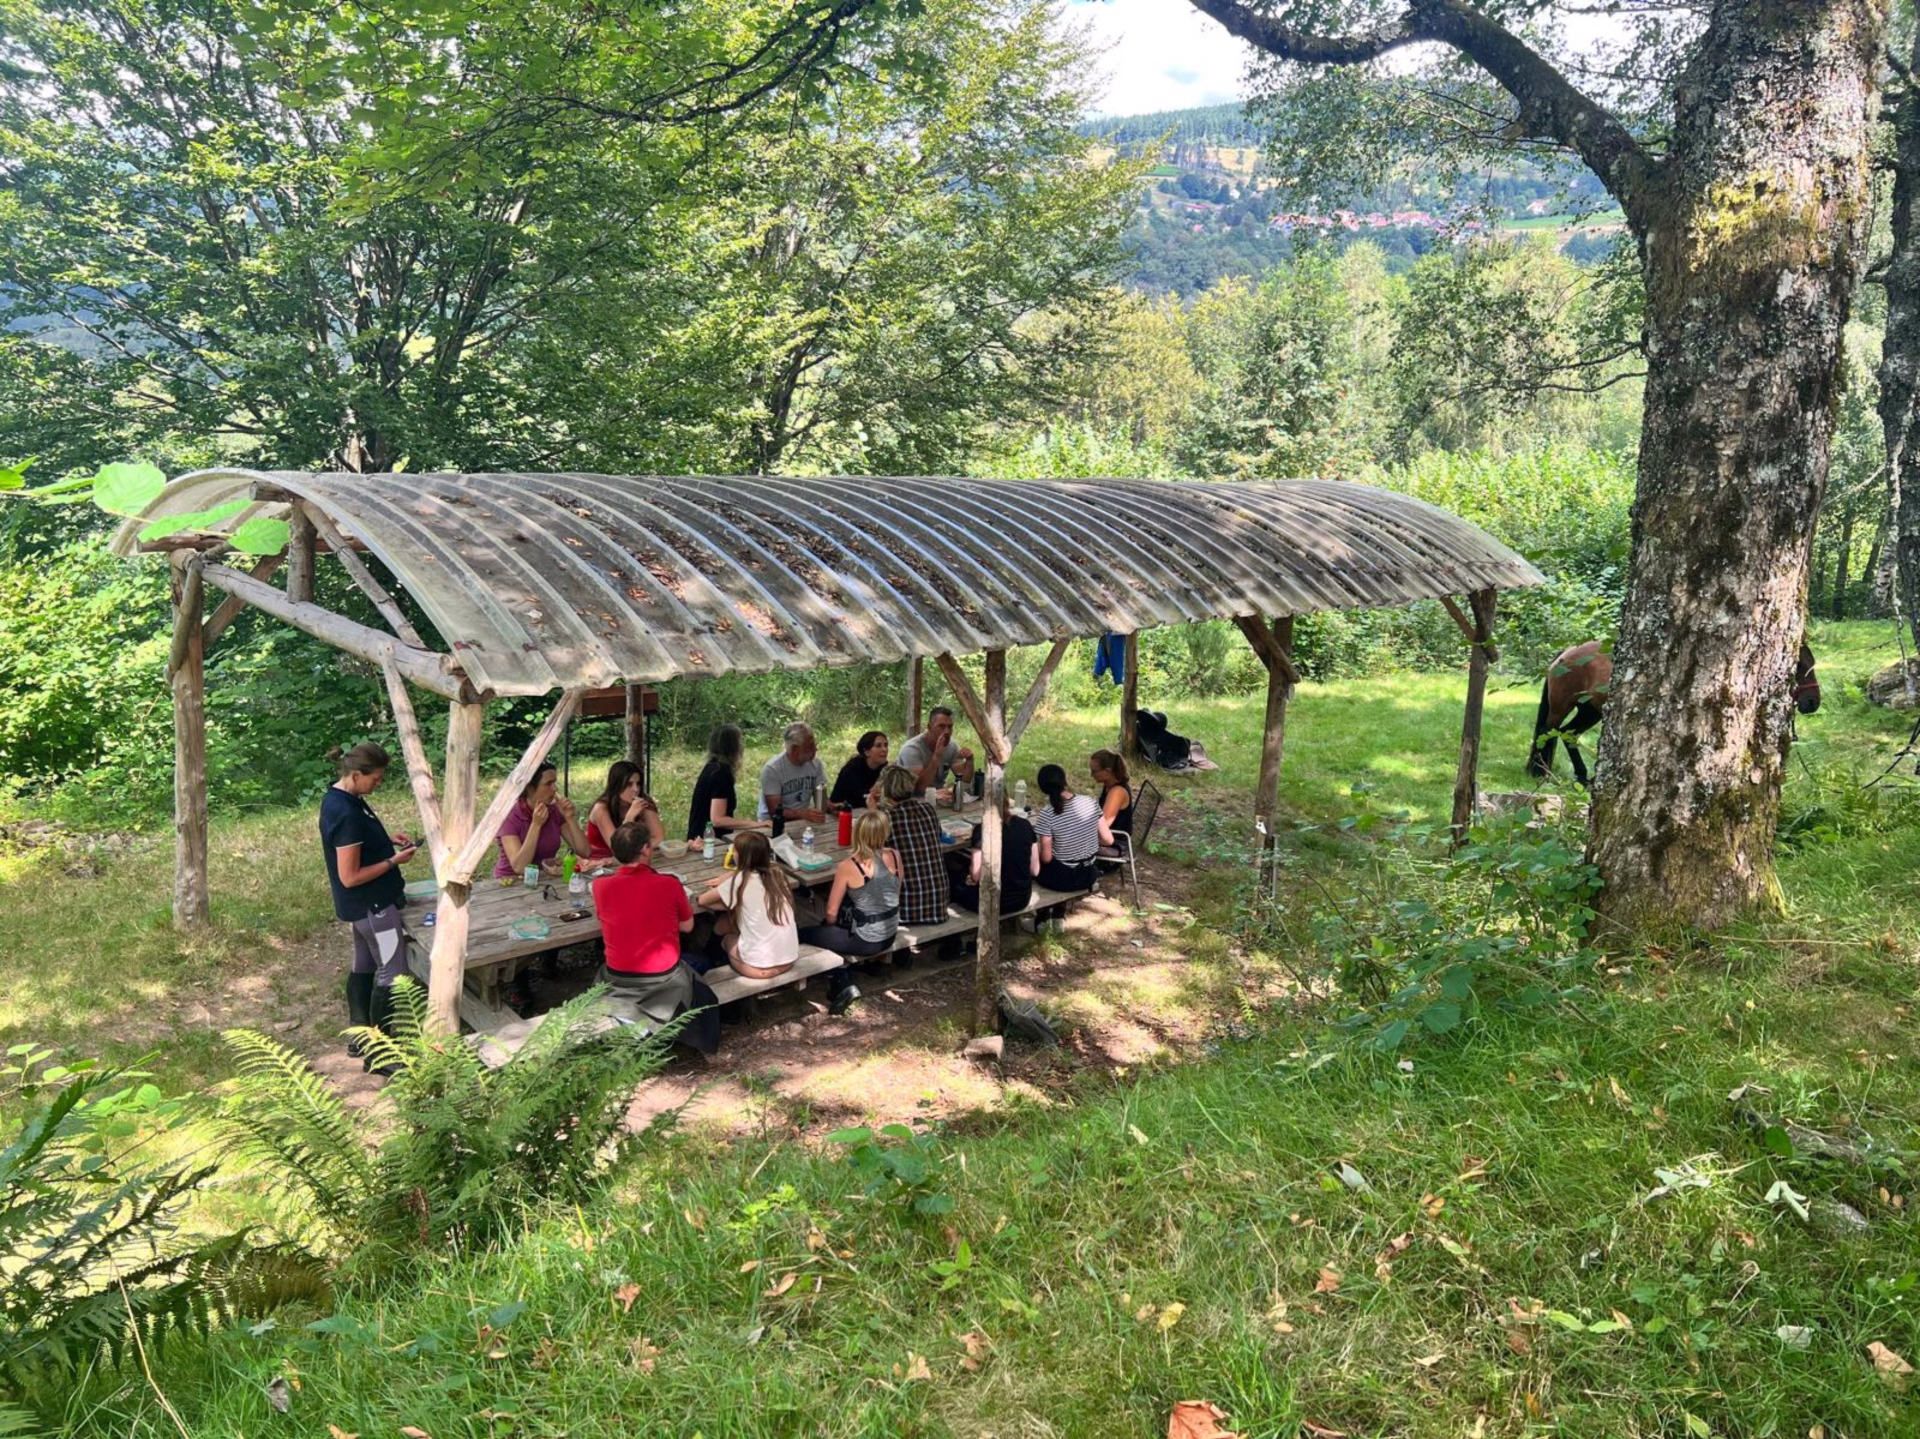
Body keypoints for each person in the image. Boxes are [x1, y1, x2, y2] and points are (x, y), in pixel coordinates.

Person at [319, 743, 417, 1072]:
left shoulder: (344, 798)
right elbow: (350, 875)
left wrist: (386, 841)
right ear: (356, 774)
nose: (379, 784)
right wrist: (393, 861)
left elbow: (357, 844)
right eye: (375, 779)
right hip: (373, 907)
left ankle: (359, 1035)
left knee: (363, 965)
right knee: (394, 972)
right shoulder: (345, 813)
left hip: (362, 908)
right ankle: (381, 1055)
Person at [592, 822, 720, 1055]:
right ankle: (655, 1025)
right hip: (664, 980)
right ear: (646, 850)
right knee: (700, 963)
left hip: (618, 979)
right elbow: (688, 926)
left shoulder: (600, 886)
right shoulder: (669, 884)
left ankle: (628, 1019)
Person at [798, 808, 902, 1014]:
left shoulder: (850, 865)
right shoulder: (895, 855)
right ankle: (842, 974)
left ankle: (842, 980)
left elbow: (831, 912)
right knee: (834, 931)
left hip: (866, 938)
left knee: (803, 933)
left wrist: (830, 928)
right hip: (890, 931)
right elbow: (894, 892)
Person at [695, 830, 800, 979]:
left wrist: (724, 895)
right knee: (726, 922)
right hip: (788, 959)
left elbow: (703, 900)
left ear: (739, 856)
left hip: (757, 969)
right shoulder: (778, 875)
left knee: (727, 938)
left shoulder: (740, 881)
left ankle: (714, 968)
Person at [876, 762, 950, 936]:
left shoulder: (886, 818)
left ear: (886, 790)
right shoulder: (928, 809)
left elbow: (872, 850)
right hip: (938, 905)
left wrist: (874, 812)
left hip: (907, 910)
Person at [493, 760, 591, 879]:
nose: (555, 789)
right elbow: (519, 867)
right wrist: (536, 825)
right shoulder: (510, 816)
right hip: (512, 881)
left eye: (555, 782)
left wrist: (570, 817)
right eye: (548, 784)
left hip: (543, 877)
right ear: (529, 788)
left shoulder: (554, 810)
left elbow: (584, 852)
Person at [1032, 762, 1112, 892]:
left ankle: (1045, 911)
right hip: (1089, 873)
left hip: (1065, 878)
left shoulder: (1046, 814)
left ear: (1043, 788)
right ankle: (1059, 909)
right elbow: (1108, 840)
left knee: (1031, 865)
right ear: (1064, 781)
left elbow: (1046, 859)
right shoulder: (1090, 802)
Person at [948, 802, 1039, 916]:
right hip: (1022, 898)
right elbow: (1035, 870)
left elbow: (976, 875)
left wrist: (969, 876)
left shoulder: (983, 829)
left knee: (952, 878)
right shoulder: (1025, 824)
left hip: (991, 902)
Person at [685, 724, 768, 843]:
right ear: (734, 747)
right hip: (706, 843)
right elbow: (718, 820)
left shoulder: (711, 767)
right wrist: (757, 824)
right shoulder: (721, 773)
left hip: (698, 838)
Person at [587, 760, 663, 862]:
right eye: (629, 784)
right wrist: (629, 817)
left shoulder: (643, 803)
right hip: (601, 863)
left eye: (638, 784)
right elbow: (617, 848)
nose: (635, 789)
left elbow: (659, 838)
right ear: (616, 785)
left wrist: (637, 850)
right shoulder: (601, 809)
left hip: (633, 859)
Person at [758, 722, 829, 831]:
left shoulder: (815, 764)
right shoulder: (773, 769)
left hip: (803, 820)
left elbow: (822, 798)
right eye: (810, 746)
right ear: (795, 750)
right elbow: (775, 812)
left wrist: (833, 807)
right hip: (773, 824)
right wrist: (802, 813)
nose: (815, 749)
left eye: (815, 744)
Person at [898, 706, 976, 801]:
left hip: (938, 799)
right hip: (910, 800)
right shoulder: (912, 749)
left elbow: (965, 781)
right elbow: (919, 788)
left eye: (950, 727)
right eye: (941, 726)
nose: (947, 731)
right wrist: (936, 757)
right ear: (929, 727)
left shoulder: (952, 746)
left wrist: (969, 762)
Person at [830, 730, 891, 811]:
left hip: (869, 810)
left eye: (886, 745)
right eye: (878, 746)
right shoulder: (851, 770)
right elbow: (861, 799)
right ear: (867, 752)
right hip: (844, 813)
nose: (884, 749)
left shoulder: (885, 768)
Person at [1090, 749, 1134, 858]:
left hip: (1114, 845)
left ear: (1108, 771)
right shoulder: (1108, 787)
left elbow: (1104, 825)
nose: (1092, 775)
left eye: (1094, 771)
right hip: (1108, 839)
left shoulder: (1116, 792)